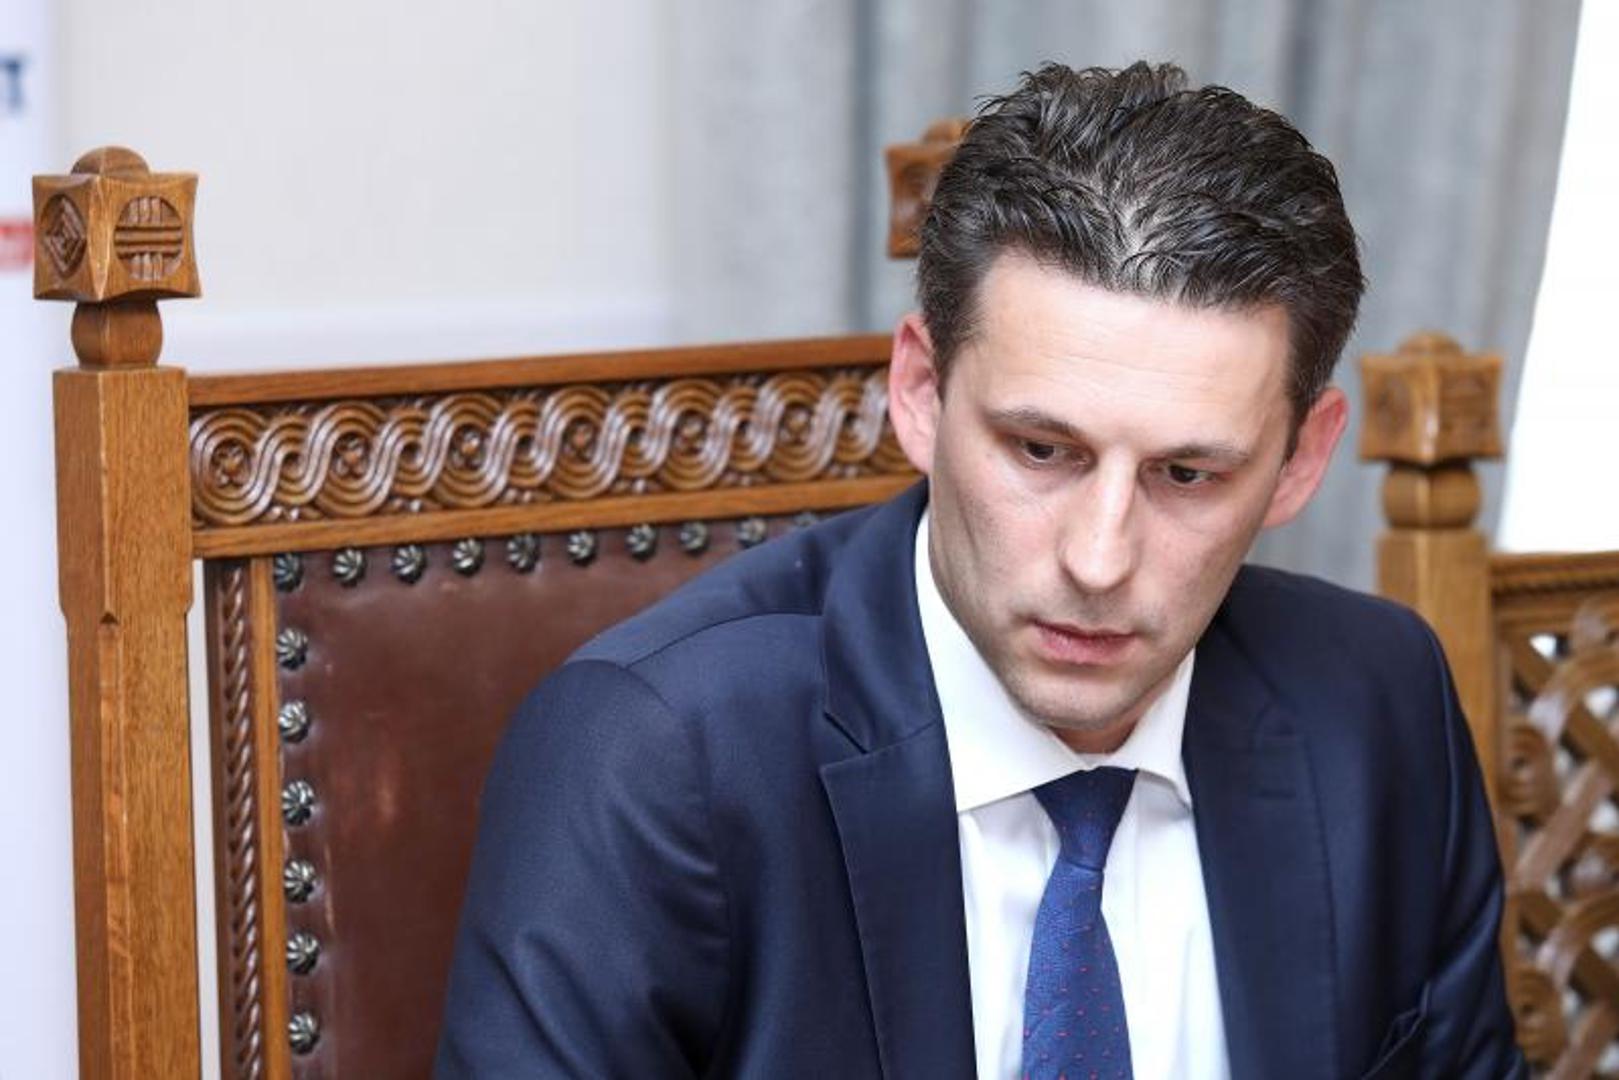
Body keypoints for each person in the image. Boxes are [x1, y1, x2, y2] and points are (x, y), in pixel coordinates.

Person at [436, 61, 1523, 1078]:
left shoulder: (1374, 700)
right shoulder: (653, 752)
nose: (1097, 560)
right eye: (1041, 451)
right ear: (919, 393)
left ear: (1299, 462)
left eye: (1187, 475)